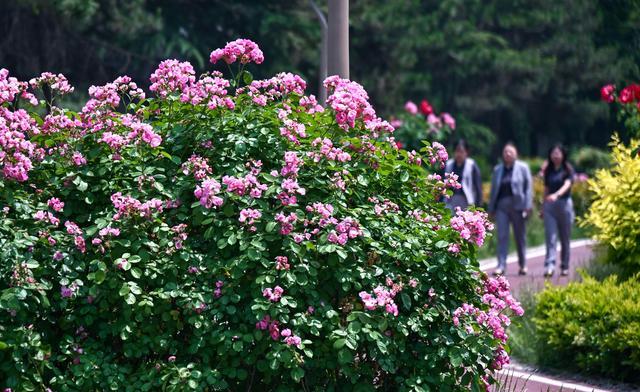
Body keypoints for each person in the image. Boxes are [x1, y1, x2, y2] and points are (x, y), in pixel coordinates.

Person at [488, 143, 533, 276]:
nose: (508, 154)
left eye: (510, 152)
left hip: (518, 205)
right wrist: (491, 208)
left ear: (516, 154)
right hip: (502, 206)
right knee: (502, 236)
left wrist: (528, 205)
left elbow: (528, 188)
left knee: (520, 236)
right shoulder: (498, 169)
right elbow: (493, 190)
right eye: (506, 152)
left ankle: (523, 264)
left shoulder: (523, 168)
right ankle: (501, 265)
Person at [542, 144, 575, 277]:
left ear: (563, 155)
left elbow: (567, 184)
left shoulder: (568, 169)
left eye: (558, 153)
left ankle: (565, 266)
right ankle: (550, 266)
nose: (555, 156)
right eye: (553, 153)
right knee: (550, 237)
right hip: (550, 207)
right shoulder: (548, 170)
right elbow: (545, 189)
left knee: (565, 237)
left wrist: (557, 195)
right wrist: (542, 206)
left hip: (565, 205)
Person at [444, 139, 483, 212]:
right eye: (457, 151)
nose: (459, 154)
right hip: (451, 199)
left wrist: (479, 203)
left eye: (461, 152)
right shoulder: (449, 164)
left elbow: (478, 186)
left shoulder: (471, 164)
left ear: (466, 152)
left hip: (467, 200)